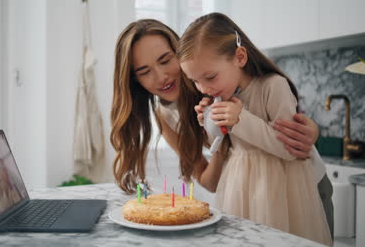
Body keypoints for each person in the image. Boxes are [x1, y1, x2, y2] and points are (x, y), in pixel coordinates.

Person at [110, 18, 328, 207]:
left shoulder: (222, 80)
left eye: (166, 60)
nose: (161, 77)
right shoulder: (166, 116)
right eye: (144, 72)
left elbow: (272, 116)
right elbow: (210, 183)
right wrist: (223, 140)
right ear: (134, 80)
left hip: (303, 187)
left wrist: (312, 130)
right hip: (255, 194)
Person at [176, 12, 332, 245]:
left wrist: (240, 120)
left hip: (280, 189)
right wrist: (209, 124)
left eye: (210, 77)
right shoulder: (223, 94)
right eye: (195, 81)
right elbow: (222, 145)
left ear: (239, 57)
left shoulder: (273, 86)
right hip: (243, 187)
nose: (204, 88)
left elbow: (290, 150)